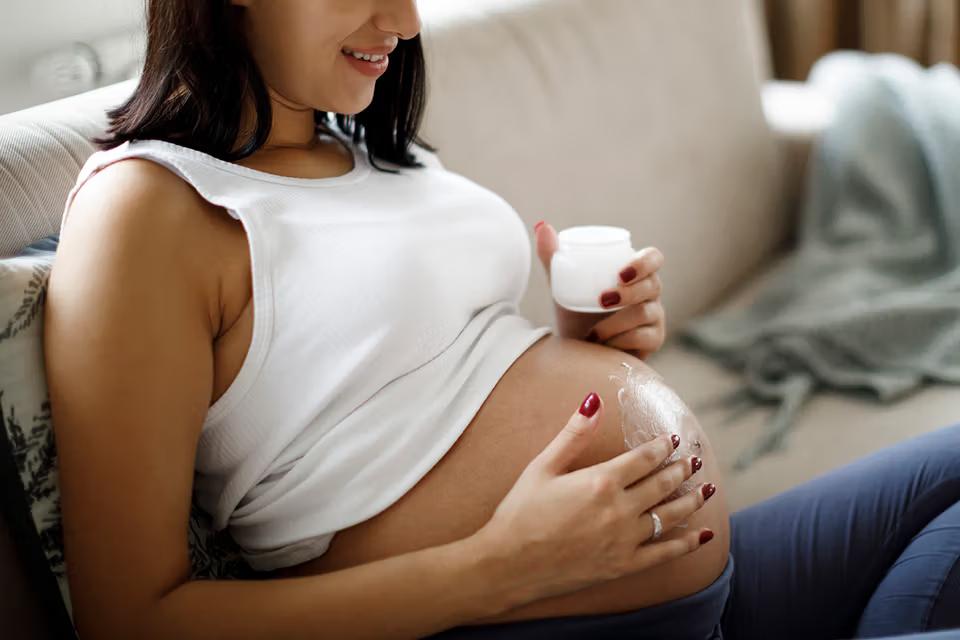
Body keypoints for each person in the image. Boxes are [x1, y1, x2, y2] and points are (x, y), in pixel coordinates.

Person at [41, 1, 960, 639]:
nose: (405, 22)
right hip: (529, 615)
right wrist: (499, 566)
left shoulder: (361, 140)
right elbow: (132, 619)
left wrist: (586, 344)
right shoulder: (149, 212)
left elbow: (432, 393)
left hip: (677, 587)